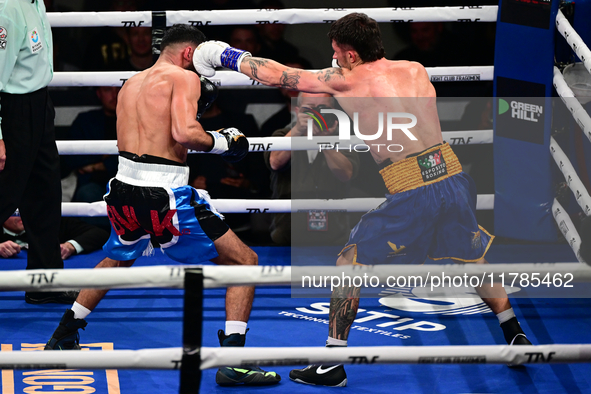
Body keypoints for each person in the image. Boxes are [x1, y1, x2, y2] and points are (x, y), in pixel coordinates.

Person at [193, 12, 532, 387]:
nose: (334, 58)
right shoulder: (416, 69)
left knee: (348, 261)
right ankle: (514, 332)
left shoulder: (347, 80)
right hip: (451, 175)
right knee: (472, 257)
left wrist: (222, 54)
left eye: (337, 52)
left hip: (413, 187)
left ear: (351, 54)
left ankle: (332, 362)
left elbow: (279, 74)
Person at [44, 24, 280, 387]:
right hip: (164, 193)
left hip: (123, 187)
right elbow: (185, 134)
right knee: (245, 261)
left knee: (119, 257)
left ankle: (63, 334)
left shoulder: (131, 83)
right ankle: (234, 362)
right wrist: (224, 141)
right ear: (190, 53)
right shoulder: (183, 79)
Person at [0, 0, 78, 305]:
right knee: (4, 194)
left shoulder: (35, 2)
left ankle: (45, 284)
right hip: (13, 110)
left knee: (44, 195)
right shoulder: (8, 8)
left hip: (39, 104)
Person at [264, 92, 359, 246]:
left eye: (322, 109)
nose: (316, 114)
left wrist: (324, 140)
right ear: (297, 110)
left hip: (334, 237)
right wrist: (298, 130)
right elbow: (276, 162)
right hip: (287, 235)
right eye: (309, 109)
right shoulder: (282, 135)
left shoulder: (343, 139)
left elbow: (345, 174)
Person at [0, 216, 109, 261]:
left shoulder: (52, 221)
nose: (21, 214)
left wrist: (70, 246)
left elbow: (100, 233)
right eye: (15, 211)